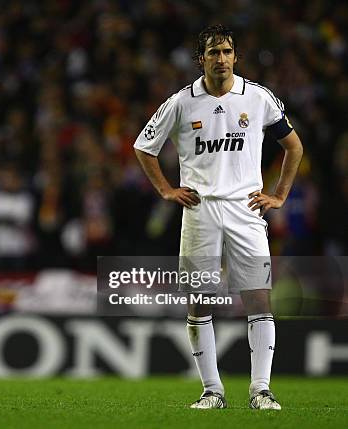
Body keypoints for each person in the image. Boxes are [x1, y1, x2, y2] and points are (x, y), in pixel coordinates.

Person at [134, 25, 303, 410]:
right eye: (213, 52)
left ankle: (261, 390)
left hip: (246, 211)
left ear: (235, 56)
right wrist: (165, 189)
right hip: (200, 211)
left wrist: (279, 195)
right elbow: (145, 147)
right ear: (201, 59)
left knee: (259, 301)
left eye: (227, 51)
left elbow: (294, 147)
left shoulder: (258, 98)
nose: (221, 59)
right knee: (199, 303)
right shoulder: (181, 102)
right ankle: (213, 391)